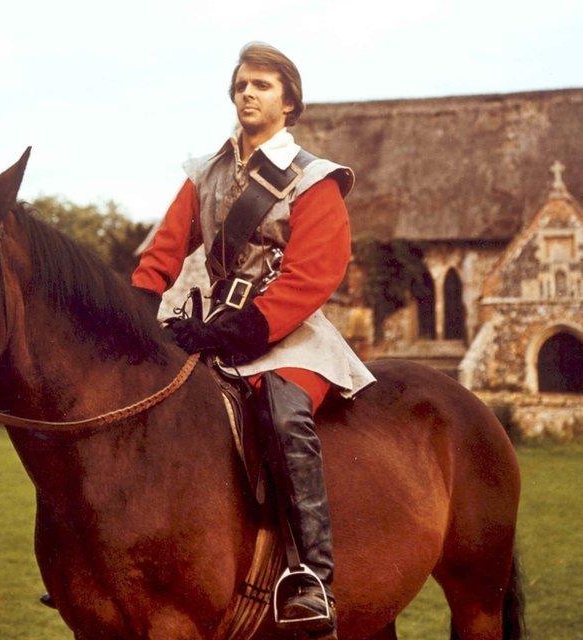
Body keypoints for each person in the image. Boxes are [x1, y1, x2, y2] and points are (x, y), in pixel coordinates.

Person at [131, 42, 375, 636]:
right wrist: (137, 309)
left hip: (289, 335)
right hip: (214, 325)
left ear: (289, 103)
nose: (248, 92)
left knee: (285, 415)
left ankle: (311, 577)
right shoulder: (206, 175)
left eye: (263, 85)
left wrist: (248, 328)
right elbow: (165, 250)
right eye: (242, 83)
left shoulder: (314, 180)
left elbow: (313, 274)